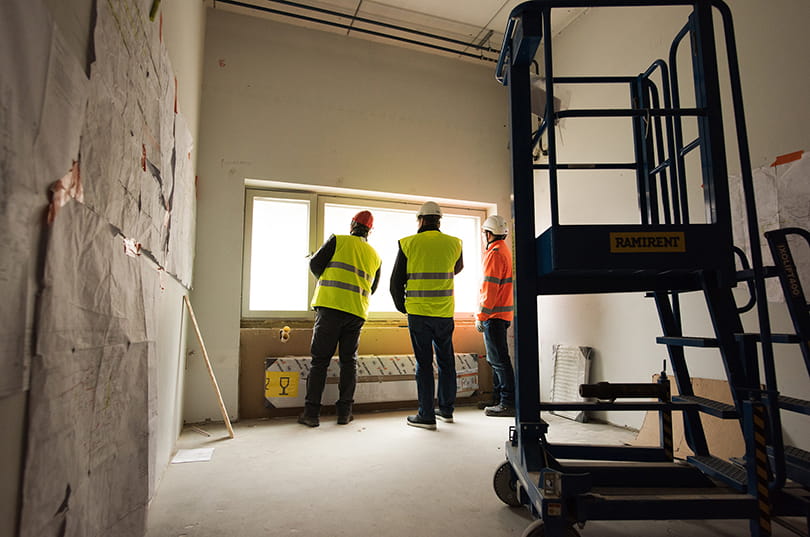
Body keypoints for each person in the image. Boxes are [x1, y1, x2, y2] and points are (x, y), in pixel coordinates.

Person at [298, 210, 382, 427]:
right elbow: (372, 288)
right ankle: (344, 413)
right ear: (370, 231)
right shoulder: (375, 256)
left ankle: (311, 414)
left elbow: (315, 265)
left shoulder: (338, 240)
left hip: (330, 308)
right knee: (348, 362)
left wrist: (328, 278)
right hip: (356, 313)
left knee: (320, 362)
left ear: (352, 224)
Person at [390, 201, 463, 430]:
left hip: (419, 313)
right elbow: (457, 268)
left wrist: (403, 306)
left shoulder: (408, 243)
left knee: (424, 363)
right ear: (439, 220)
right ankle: (447, 410)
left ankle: (426, 415)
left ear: (420, 220)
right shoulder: (454, 243)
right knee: (446, 361)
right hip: (444, 312)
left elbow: (395, 282)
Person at [476, 215, 515, 417]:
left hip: (494, 315)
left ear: (489, 234)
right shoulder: (505, 251)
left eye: (484, 233)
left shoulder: (494, 254)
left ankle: (507, 402)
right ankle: (499, 399)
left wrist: (481, 316)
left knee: (499, 360)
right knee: (497, 359)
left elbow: (489, 289)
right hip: (503, 313)